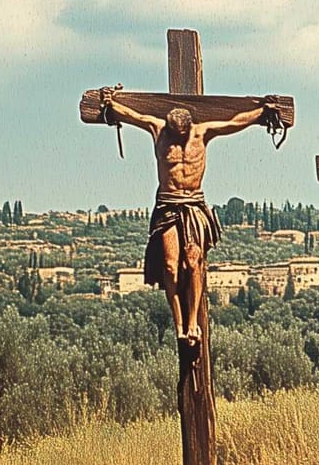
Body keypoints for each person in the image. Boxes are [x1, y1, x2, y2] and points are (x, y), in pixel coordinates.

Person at [101, 90, 270, 347]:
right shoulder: (158, 130)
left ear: (189, 127)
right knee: (170, 266)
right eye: (174, 134)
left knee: (194, 260)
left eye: (182, 135)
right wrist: (110, 102)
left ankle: (193, 323)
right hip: (168, 204)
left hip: (193, 204)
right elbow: (132, 114)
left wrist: (263, 112)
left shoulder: (202, 132)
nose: (178, 139)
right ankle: (179, 324)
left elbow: (235, 122)